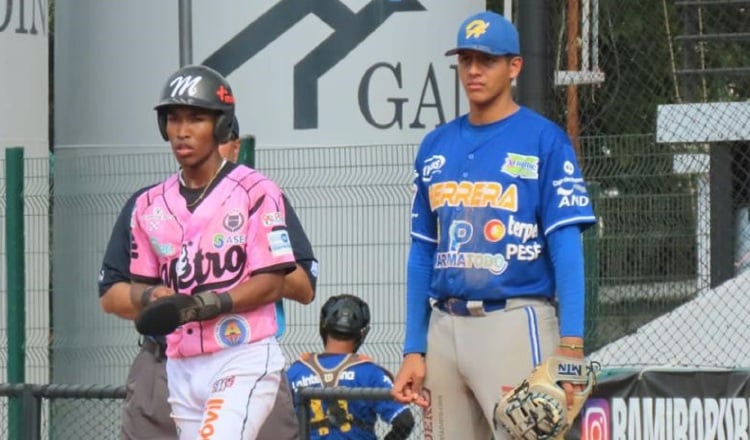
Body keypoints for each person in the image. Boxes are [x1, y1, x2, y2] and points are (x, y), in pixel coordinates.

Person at [391, 10, 597, 439]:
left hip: (514, 321)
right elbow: (422, 252)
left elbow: (566, 247)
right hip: (444, 327)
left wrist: (572, 345)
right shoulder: (436, 145)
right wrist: (414, 346)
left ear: (514, 66)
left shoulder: (544, 140)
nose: (473, 70)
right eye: (465, 60)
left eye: (486, 60)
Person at [98, 110, 316, 439]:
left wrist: (234, 280)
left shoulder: (257, 196)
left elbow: (304, 285)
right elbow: (111, 293)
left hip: (241, 350)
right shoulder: (151, 206)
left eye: (220, 139)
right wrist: (155, 298)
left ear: (233, 143)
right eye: (175, 122)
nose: (187, 135)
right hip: (165, 361)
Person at [287, 294, 415, 440]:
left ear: (323, 325)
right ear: (362, 333)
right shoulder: (370, 373)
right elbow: (405, 421)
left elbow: (276, 421)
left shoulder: (297, 371)